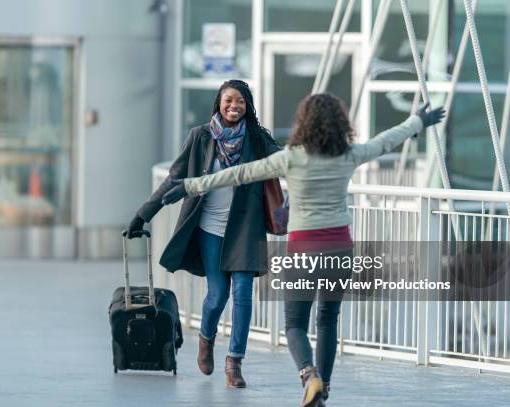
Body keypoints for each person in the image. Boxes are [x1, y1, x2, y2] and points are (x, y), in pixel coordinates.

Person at [161, 93, 444, 406]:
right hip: (340, 250)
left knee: (295, 324)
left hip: (303, 251)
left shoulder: (292, 157)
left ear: (304, 123)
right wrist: (417, 121)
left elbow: (240, 173)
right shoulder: (348, 154)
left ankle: (309, 376)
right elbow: (385, 141)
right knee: (328, 319)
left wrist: (189, 186)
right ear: (340, 123)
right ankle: (323, 389)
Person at [125, 79, 280, 388]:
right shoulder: (200, 137)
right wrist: (144, 214)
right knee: (218, 294)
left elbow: (288, 162)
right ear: (218, 103)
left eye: (241, 102)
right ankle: (206, 338)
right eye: (229, 100)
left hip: (245, 230)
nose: (234, 106)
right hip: (209, 228)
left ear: (248, 107)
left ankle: (234, 362)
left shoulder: (259, 138)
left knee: (244, 296)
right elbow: (174, 180)